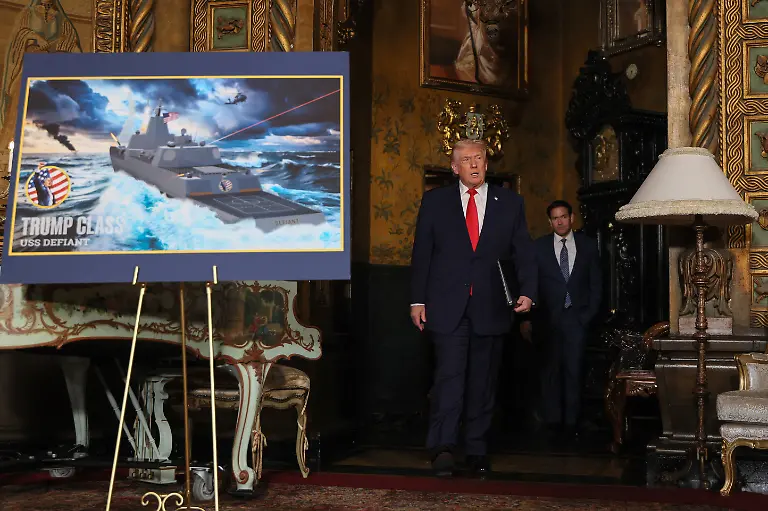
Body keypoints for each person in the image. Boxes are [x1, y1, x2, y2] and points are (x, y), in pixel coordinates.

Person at [409, 138, 537, 477]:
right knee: (449, 378)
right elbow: (422, 253)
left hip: (492, 305)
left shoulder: (510, 203)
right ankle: (443, 447)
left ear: (486, 162)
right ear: (455, 168)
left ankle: (477, 449)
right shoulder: (434, 202)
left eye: (478, 157)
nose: (474, 164)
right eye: (466, 160)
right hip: (446, 306)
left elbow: (522, 251)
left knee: (484, 382)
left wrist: (528, 292)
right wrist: (417, 300)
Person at [533, 200, 602, 438]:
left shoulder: (588, 246)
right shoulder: (539, 247)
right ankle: (552, 421)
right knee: (550, 370)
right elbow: (533, 285)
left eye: (563, 216)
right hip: (549, 319)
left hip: (577, 318)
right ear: (549, 221)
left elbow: (597, 284)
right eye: (555, 218)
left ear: (572, 218)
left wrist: (587, 315)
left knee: (575, 370)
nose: (560, 221)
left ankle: (573, 422)